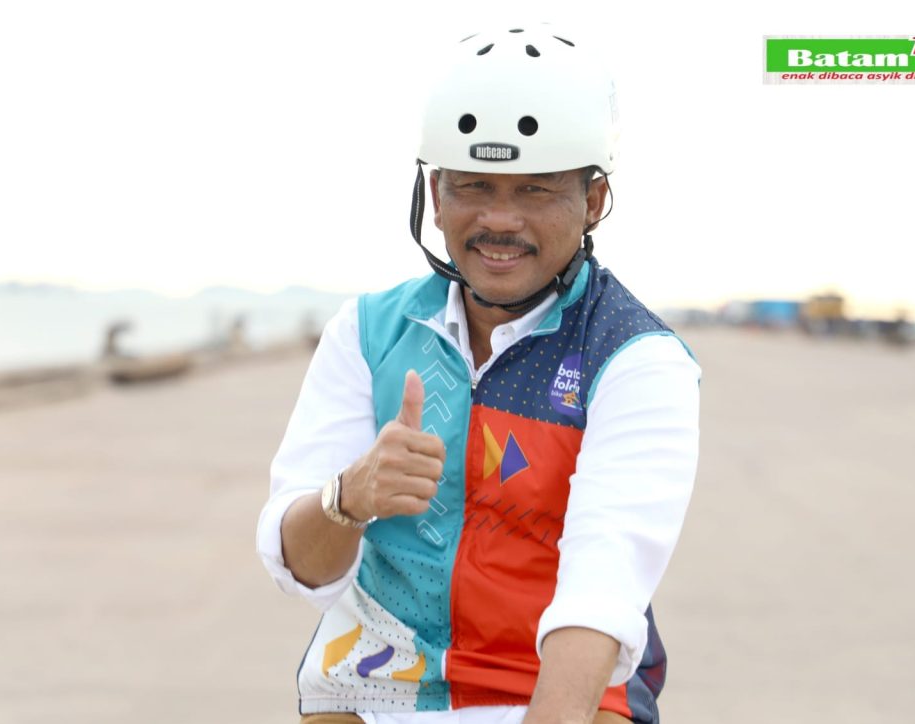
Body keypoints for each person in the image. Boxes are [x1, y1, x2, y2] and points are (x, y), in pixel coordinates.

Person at [257, 25, 700, 724]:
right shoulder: (367, 332)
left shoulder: (635, 357)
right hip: (374, 680)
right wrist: (351, 497)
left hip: (555, 682)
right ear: (435, 194)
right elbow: (300, 568)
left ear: (593, 200)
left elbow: (602, 590)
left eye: (535, 190)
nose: (500, 219)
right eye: (473, 185)